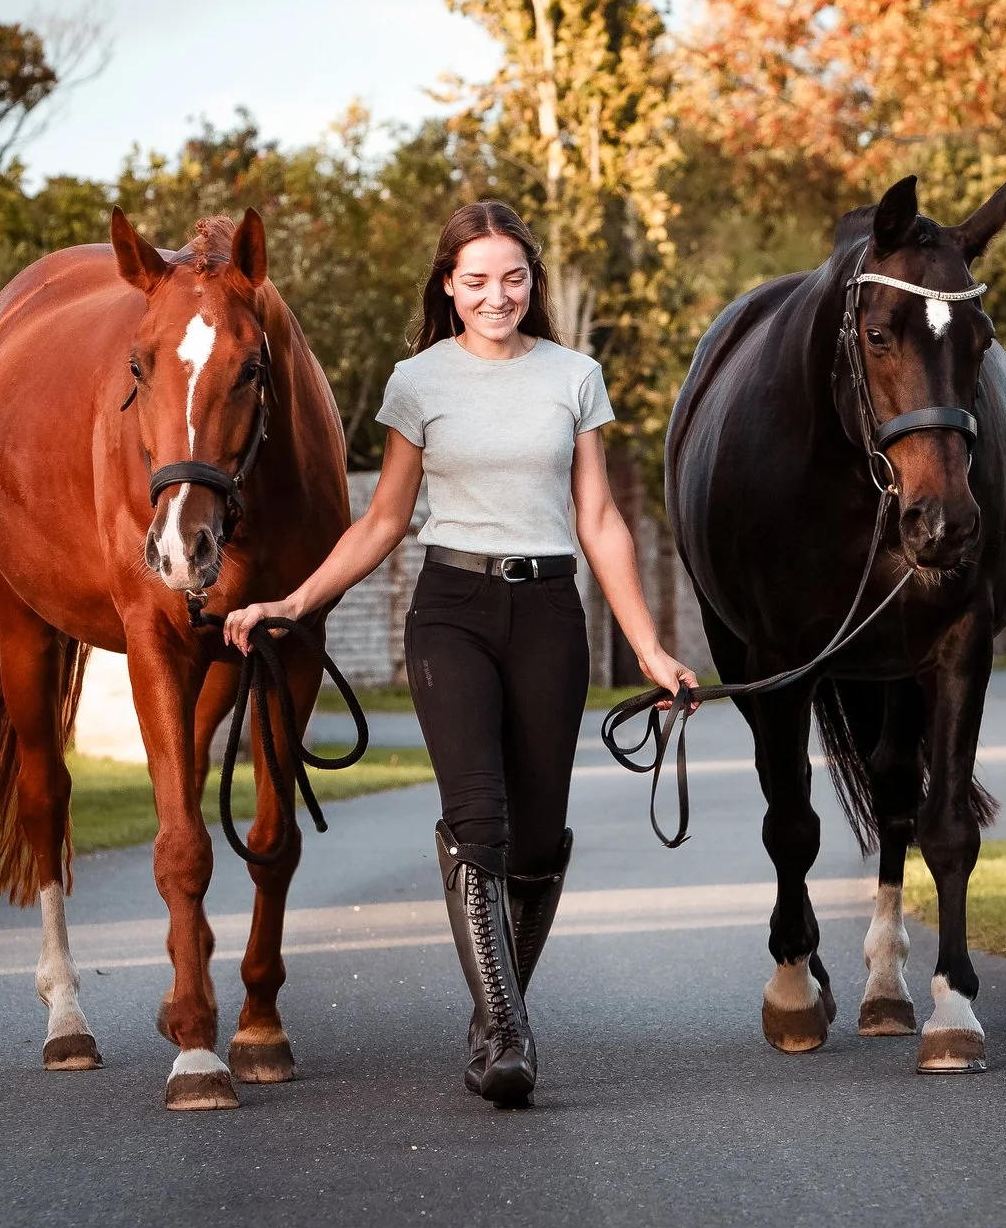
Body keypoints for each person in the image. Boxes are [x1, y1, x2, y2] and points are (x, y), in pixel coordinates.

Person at [224, 200, 696, 1107]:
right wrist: (294, 600)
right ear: (449, 284)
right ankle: (509, 1033)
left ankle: (492, 1017)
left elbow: (598, 519)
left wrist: (649, 647)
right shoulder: (418, 380)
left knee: (540, 837)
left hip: (551, 611)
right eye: (476, 279)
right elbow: (384, 520)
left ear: (532, 282)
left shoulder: (575, 376)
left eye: (512, 277)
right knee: (479, 822)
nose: (496, 294)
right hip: (453, 611)